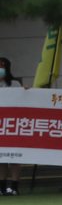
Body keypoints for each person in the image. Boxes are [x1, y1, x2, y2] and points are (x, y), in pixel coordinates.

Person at [1, 56, 22, 194]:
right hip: (2, 127)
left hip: (14, 126)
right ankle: (2, 186)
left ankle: (14, 186)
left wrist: (27, 92)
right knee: (1, 157)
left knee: (16, 156)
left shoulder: (14, 84)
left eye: (3, 67)